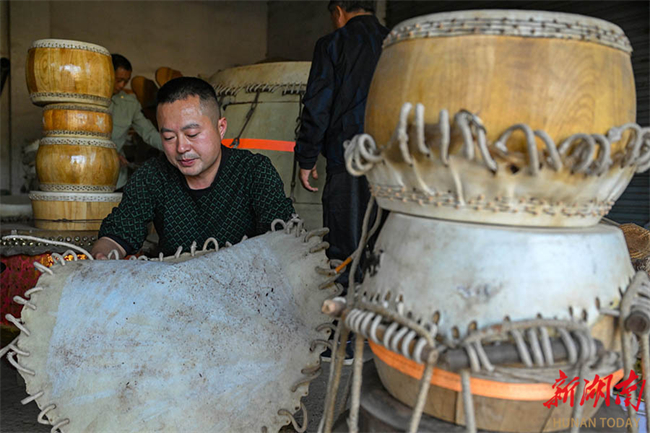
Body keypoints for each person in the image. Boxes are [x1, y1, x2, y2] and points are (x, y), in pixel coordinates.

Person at [91, 77, 295, 259]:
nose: (181, 147)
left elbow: (281, 239)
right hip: (175, 288)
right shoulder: (153, 175)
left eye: (192, 134)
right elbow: (119, 232)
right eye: (169, 138)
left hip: (243, 289)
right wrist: (103, 254)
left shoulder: (253, 171)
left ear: (220, 128)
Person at [295, 1, 389, 364]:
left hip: (347, 162)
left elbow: (318, 104)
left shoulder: (332, 45)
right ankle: (384, 338)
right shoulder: (396, 42)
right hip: (392, 163)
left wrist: (306, 158)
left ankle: (348, 343)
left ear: (337, 11)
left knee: (346, 247)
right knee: (384, 246)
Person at [110, 54, 164, 189]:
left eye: (126, 81)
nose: (121, 85)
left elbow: (148, 132)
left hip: (116, 179)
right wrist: (109, 153)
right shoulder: (88, 100)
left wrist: (171, 147)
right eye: (118, 80)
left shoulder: (130, 104)